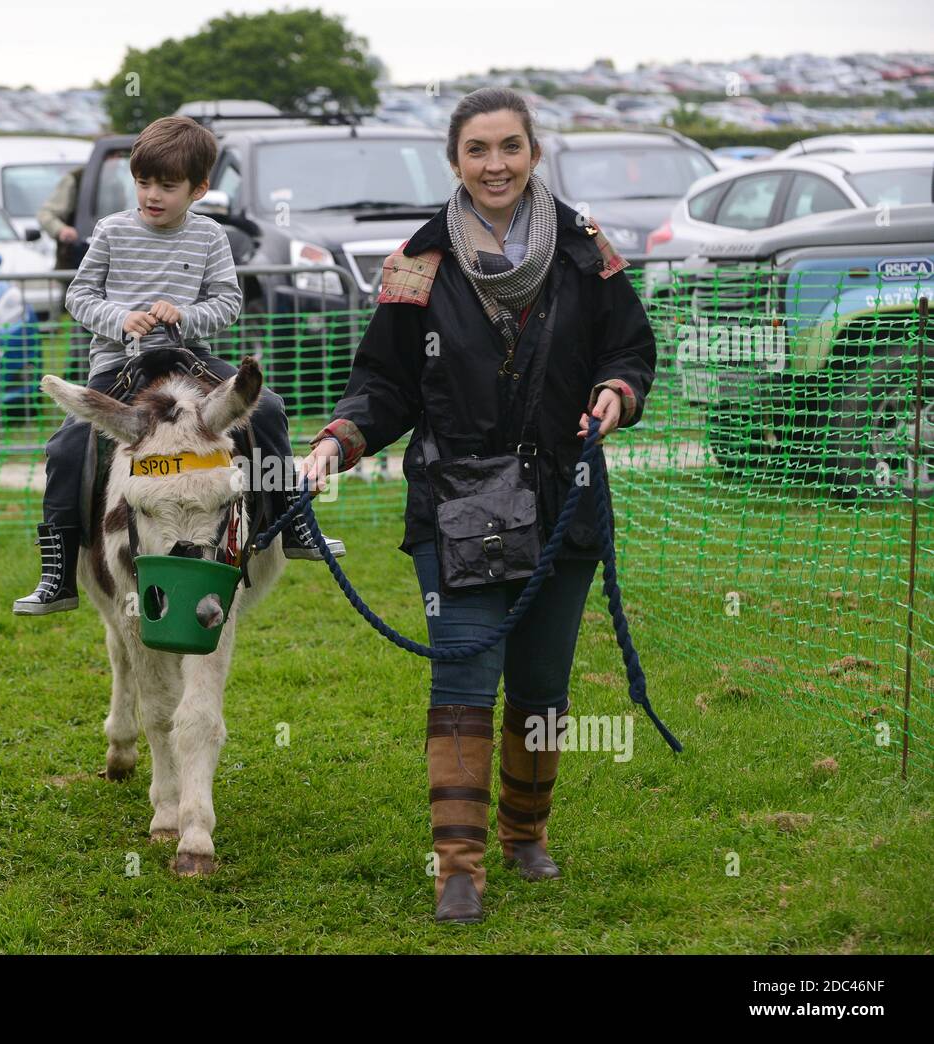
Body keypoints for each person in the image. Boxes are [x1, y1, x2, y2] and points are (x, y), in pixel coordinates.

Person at [297, 87, 656, 923]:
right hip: (455, 506)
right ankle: (458, 867)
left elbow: (631, 348)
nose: (495, 164)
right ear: (453, 161)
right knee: (462, 681)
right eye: (477, 150)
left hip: (563, 501)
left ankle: (525, 836)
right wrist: (337, 441)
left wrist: (616, 391)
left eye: (510, 148)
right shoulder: (417, 262)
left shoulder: (583, 250)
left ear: (534, 153)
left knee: (540, 686)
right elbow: (382, 384)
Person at [14, 115, 346, 616]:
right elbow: (78, 297)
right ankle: (58, 571)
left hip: (191, 359)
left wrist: (187, 316)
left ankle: (294, 518)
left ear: (199, 188)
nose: (152, 195)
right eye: (143, 183)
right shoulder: (110, 231)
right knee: (64, 447)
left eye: (167, 186)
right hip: (119, 362)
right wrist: (121, 318)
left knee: (270, 408)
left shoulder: (210, 236)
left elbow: (228, 303)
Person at [37, 171, 84, 317]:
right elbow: (45, 214)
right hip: (74, 260)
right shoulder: (75, 178)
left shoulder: (118, 177)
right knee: (79, 316)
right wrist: (61, 230)